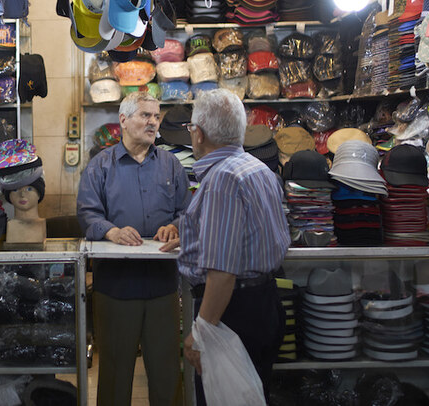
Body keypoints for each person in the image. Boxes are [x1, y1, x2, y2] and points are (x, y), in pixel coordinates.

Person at [161, 89, 290, 404]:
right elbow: (250, 237)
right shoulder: (259, 169)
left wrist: (202, 331)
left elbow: (223, 271)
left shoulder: (223, 179)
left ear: (199, 133)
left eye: (191, 128)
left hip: (233, 313)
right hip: (265, 303)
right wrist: (196, 236)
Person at [77, 92, 190, 406]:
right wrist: (111, 231)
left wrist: (177, 226)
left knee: (167, 370)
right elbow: (87, 213)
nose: (153, 122)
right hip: (116, 287)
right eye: (145, 115)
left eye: (156, 116)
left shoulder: (171, 165)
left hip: (163, 287)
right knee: (114, 371)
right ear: (123, 121)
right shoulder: (100, 166)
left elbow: (186, 211)